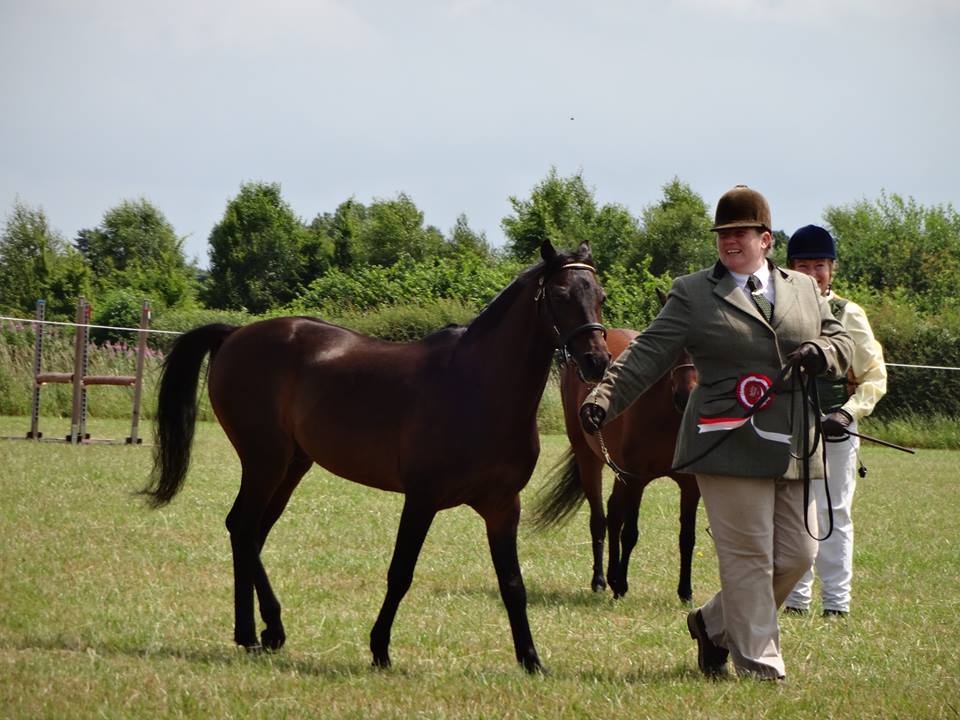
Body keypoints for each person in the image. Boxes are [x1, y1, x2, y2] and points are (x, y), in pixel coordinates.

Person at [579, 185, 853, 681]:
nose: (729, 240)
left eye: (740, 232)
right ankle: (760, 663)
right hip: (726, 439)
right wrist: (603, 398)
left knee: (798, 555)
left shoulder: (804, 289)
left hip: (794, 441)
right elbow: (647, 354)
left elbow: (840, 340)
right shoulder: (692, 293)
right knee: (748, 557)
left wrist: (823, 353)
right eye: (723, 233)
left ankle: (710, 624)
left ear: (765, 239)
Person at [783, 225, 887, 618]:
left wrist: (847, 413)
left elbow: (874, 376)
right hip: (789, 427)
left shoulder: (849, 314)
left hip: (834, 428)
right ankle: (795, 600)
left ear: (832, 269)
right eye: (803, 266)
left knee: (833, 512)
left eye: (819, 266)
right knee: (794, 512)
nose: (812, 274)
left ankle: (836, 603)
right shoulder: (778, 311)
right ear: (790, 268)